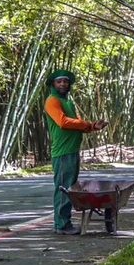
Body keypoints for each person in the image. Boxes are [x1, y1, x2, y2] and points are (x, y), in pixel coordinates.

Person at [43, 69, 107, 235]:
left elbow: (77, 124)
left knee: (69, 188)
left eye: (65, 81)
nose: (63, 84)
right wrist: (85, 124)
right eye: (59, 82)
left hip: (72, 150)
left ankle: (65, 222)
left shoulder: (68, 103)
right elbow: (63, 122)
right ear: (53, 85)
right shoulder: (52, 100)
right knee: (63, 188)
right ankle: (62, 224)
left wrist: (93, 126)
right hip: (62, 152)